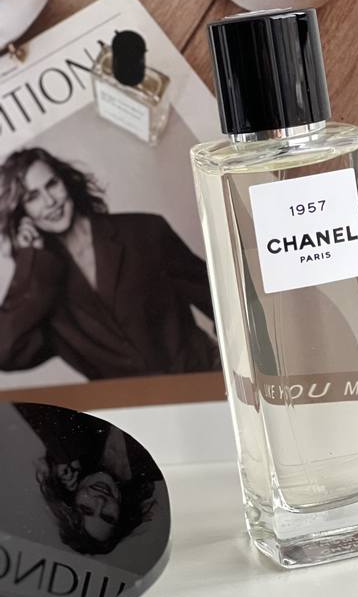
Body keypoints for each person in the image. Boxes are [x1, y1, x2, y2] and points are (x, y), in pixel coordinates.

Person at [0, 147, 221, 378]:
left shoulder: (144, 231)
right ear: (21, 214)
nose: (49, 201)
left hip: (204, 375)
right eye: (32, 197)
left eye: (52, 184)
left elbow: (216, 299)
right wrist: (29, 261)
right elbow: (5, 351)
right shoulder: (40, 284)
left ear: (66, 181)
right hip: (135, 402)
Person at [14, 403, 166, 556]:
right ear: (121, 515)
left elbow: (30, 398)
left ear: (72, 497)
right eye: (108, 517)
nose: (100, 502)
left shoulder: (78, 442)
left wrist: (65, 456)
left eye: (86, 508)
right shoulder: (157, 466)